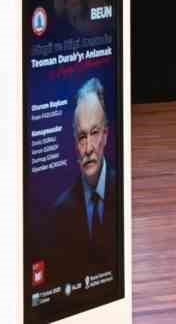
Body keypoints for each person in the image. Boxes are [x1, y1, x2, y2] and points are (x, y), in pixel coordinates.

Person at [38, 77, 120, 285]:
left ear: (106, 135)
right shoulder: (60, 213)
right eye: (82, 136)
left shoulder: (123, 190)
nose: (88, 148)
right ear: (75, 143)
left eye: (94, 133)